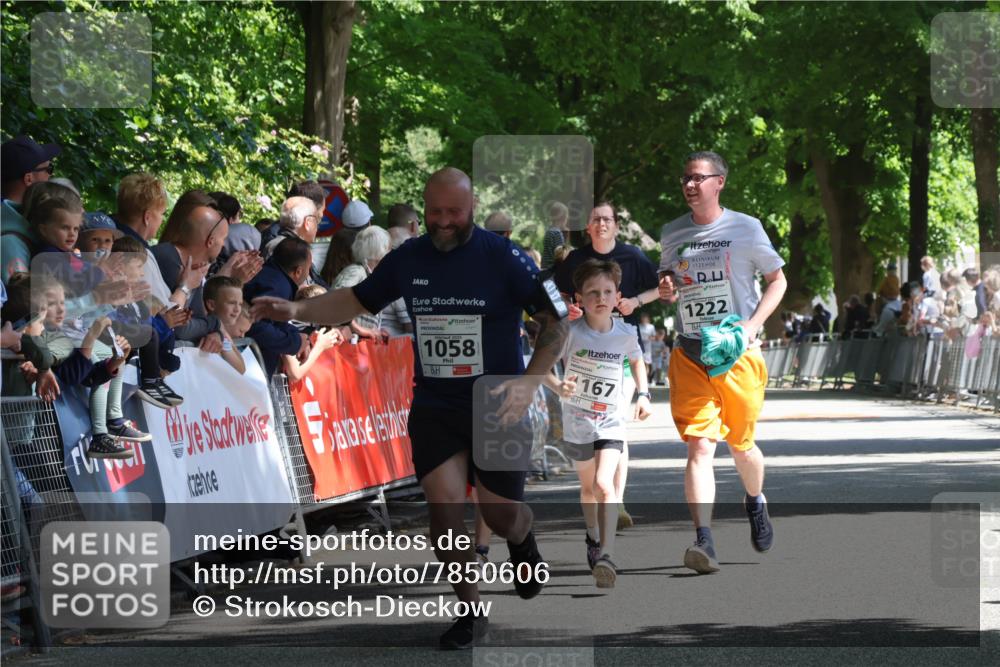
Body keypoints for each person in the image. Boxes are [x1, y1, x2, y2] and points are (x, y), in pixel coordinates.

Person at [251, 167, 568, 650]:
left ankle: (522, 540)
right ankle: (470, 611)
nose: (443, 222)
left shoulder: (504, 258)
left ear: (472, 209)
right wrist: (295, 311)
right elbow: (353, 301)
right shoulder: (411, 258)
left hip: (496, 404)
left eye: (454, 213)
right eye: (435, 212)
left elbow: (555, 325)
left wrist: (528, 384)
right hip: (436, 402)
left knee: (501, 516)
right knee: (443, 513)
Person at [658, 151, 786, 574]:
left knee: (741, 446)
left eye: (699, 178)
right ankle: (704, 541)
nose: (690, 185)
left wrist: (752, 325)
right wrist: (667, 289)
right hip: (691, 351)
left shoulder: (746, 228)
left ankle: (755, 500)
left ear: (720, 182)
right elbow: (672, 284)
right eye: (685, 179)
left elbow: (777, 280)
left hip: (737, 354)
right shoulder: (672, 233)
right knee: (699, 446)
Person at [554, 202, 659, 530]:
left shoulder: (633, 256)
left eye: (607, 219)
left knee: (614, 420)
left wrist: (636, 302)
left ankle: (616, 496)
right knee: (588, 422)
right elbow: (550, 289)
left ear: (615, 226)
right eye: (596, 219)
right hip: (583, 350)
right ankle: (596, 488)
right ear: (588, 226)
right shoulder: (575, 260)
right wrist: (566, 307)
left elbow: (663, 287)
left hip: (621, 352)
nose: (601, 224)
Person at [546, 259, 651, 588]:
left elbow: (637, 361)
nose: (601, 298)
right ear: (579, 299)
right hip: (577, 421)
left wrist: (644, 395)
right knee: (588, 488)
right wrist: (558, 385)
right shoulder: (570, 333)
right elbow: (542, 366)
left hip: (610, 420)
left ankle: (607, 554)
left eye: (607, 292)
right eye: (592, 293)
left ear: (617, 295)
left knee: (605, 485)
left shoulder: (625, 332)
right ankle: (592, 537)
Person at [1, 136, 61, 283]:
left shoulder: (23, 224)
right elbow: (22, 301)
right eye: (49, 169)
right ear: (29, 179)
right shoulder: (11, 243)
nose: (51, 176)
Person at [333, 226, 392, 341]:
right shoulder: (357, 271)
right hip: (349, 345)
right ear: (380, 250)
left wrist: (375, 331)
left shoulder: (369, 275)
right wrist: (360, 329)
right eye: (389, 249)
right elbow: (336, 301)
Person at [541, 201, 570, 271]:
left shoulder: (549, 231)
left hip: (545, 269)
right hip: (553, 271)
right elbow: (560, 257)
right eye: (566, 218)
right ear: (563, 218)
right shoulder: (557, 233)